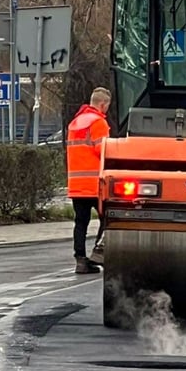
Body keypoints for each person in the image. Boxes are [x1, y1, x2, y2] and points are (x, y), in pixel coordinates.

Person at [66, 87, 111, 274]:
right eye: (107, 106)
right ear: (102, 104)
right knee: (108, 219)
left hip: (76, 184)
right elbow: (105, 152)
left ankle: (81, 260)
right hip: (95, 184)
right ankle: (98, 253)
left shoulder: (74, 123)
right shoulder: (98, 123)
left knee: (81, 222)